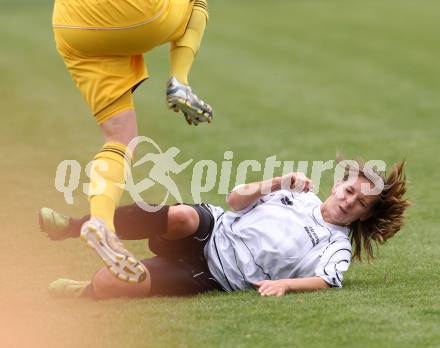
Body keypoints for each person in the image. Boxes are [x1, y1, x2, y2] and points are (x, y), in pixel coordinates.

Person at [39, 160, 410, 299]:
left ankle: (85, 291)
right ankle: (73, 227)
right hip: (214, 229)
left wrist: (285, 283)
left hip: (214, 274)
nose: (348, 201)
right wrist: (278, 181)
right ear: (337, 184)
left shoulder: (337, 244)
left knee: (109, 283)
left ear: (364, 216)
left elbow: (329, 280)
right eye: (349, 191)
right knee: (181, 215)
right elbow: (234, 199)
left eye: (360, 203)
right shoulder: (297, 196)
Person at [52, 0, 212, 283]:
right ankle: (180, 81)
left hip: (71, 27)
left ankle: (101, 222)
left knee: (120, 139)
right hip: (132, 16)